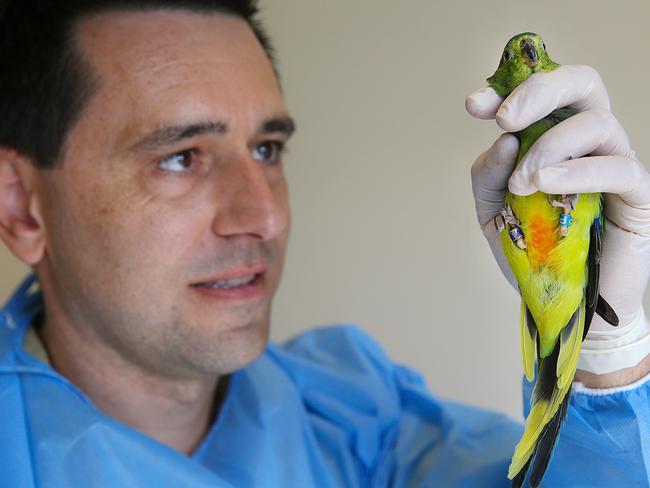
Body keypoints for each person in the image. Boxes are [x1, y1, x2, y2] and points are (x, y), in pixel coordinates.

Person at [0, 1, 648, 486]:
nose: (264, 215)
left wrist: (598, 347)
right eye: (180, 157)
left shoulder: (354, 419)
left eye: (266, 149)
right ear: (21, 206)